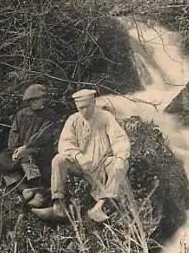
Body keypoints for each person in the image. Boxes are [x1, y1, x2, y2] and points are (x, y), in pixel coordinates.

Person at [32, 89, 131, 222]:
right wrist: (78, 156)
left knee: (121, 163)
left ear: (94, 102)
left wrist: (120, 157)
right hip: (81, 164)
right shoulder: (73, 120)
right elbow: (65, 144)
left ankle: (99, 206)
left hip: (102, 163)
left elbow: (119, 138)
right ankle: (58, 207)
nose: (84, 111)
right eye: (80, 108)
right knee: (59, 159)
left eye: (86, 107)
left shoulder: (105, 117)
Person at [0, 84, 56, 208]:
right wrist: (15, 149)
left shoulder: (49, 115)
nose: (33, 103)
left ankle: (39, 191)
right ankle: (23, 188)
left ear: (43, 99)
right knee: (0, 159)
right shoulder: (21, 114)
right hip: (19, 148)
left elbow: (42, 135)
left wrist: (25, 147)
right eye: (30, 101)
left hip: (40, 149)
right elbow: (13, 133)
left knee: (27, 156)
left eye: (36, 100)